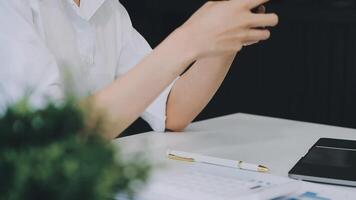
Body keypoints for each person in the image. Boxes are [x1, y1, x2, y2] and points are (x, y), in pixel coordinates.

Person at [0, 0, 278, 139]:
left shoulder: (109, 9)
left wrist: (227, 30)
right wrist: (189, 39)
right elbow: (52, 137)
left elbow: (172, 109)